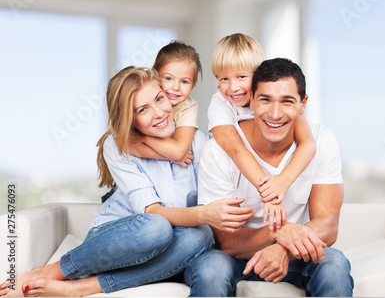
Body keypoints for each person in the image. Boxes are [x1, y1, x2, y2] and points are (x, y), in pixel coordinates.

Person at [0, 67, 254, 297]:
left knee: (207, 248)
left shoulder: (200, 143)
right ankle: (53, 272)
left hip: (181, 249)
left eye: (159, 99)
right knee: (157, 227)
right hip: (123, 241)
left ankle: (84, 288)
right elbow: (154, 213)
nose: (159, 113)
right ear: (129, 119)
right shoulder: (119, 146)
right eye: (142, 110)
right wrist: (204, 213)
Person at [185, 58, 354, 297]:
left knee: (333, 263)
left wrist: (283, 249)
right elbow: (227, 243)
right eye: (265, 100)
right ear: (251, 99)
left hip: (293, 254)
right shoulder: (218, 151)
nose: (275, 114)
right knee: (211, 268)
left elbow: (328, 226)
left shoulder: (322, 140)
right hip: (234, 258)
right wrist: (276, 233)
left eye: (287, 101)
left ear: (303, 104)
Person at [208, 33, 316, 229]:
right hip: (234, 179)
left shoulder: (277, 102)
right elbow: (235, 149)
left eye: (241, 77)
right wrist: (269, 195)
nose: (233, 88)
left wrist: (283, 181)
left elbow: (308, 144)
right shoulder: (220, 104)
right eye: (224, 79)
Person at [128, 40, 202, 166]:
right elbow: (125, 145)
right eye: (168, 78)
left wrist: (142, 137)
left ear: (193, 84)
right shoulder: (141, 96)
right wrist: (169, 157)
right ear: (155, 75)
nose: (176, 87)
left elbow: (178, 151)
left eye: (184, 82)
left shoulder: (188, 108)